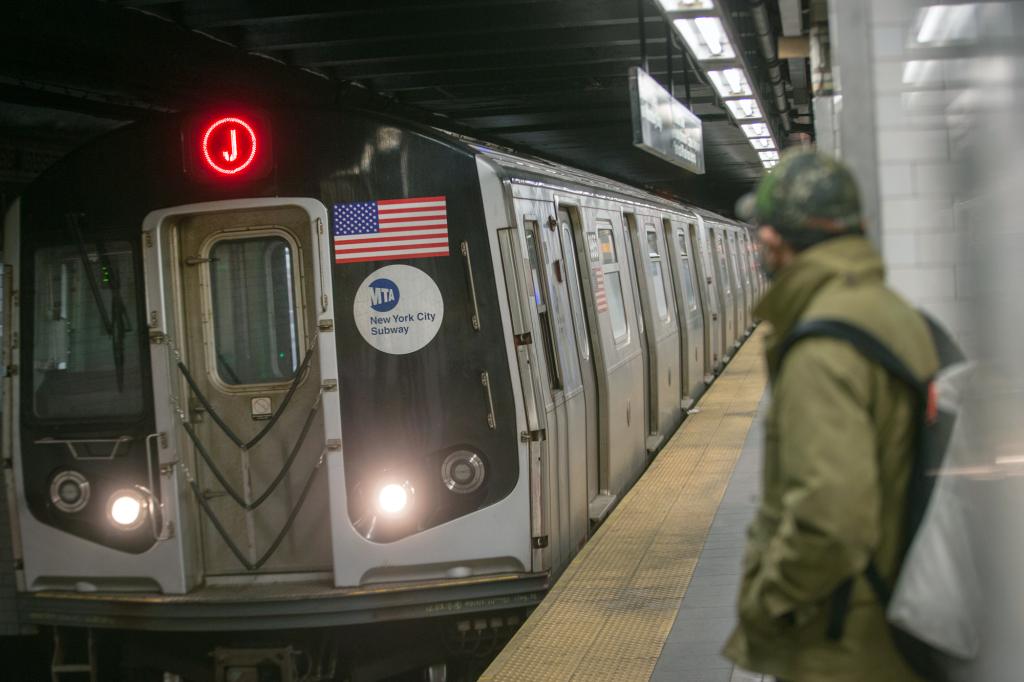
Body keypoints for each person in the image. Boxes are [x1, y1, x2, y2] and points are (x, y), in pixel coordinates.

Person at [722, 149, 939, 681]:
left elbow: (831, 519)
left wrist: (768, 601)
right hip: (890, 609)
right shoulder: (892, 312)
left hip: (841, 636)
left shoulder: (822, 347)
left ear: (774, 239)